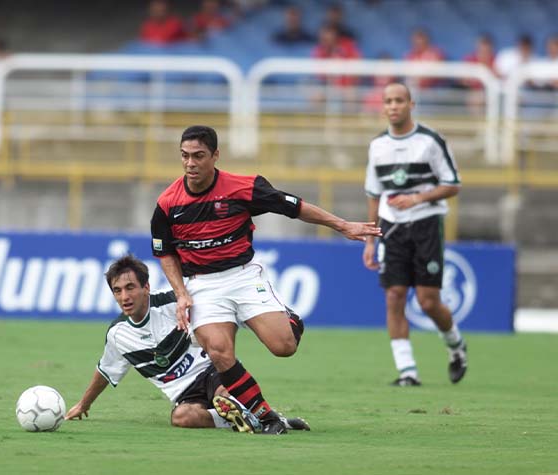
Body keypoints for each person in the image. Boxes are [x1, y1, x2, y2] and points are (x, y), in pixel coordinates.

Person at [151, 125, 381, 434]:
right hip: (202, 284)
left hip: (243, 277)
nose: (191, 164)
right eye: (185, 156)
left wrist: (342, 226)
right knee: (219, 351)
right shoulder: (167, 204)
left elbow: (294, 207)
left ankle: (289, 320)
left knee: (283, 346)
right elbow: (165, 253)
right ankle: (266, 417)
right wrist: (181, 293)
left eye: (199, 156)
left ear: (215, 156)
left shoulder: (243, 187)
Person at [65, 255, 310, 433]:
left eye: (130, 288)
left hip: (212, 370)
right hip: (184, 392)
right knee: (182, 417)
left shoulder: (175, 303)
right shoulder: (118, 334)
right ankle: (259, 419)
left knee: (226, 395)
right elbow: (105, 372)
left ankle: (255, 415)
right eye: (117, 291)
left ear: (146, 287)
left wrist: (274, 320)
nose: (124, 297)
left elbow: (228, 314)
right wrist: (82, 405)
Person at [362, 83, 468, 387]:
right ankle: (407, 371)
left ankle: (456, 346)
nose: (393, 106)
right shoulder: (377, 146)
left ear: (411, 103)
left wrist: (417, 199)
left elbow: (453, 184)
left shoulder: (430, 141)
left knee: (428, 301)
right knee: (394, 295)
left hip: (425, 223)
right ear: (382, 107)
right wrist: (370, 238)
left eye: (399, 100)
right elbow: (373, 194)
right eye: (388, 101)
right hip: (392, 226)